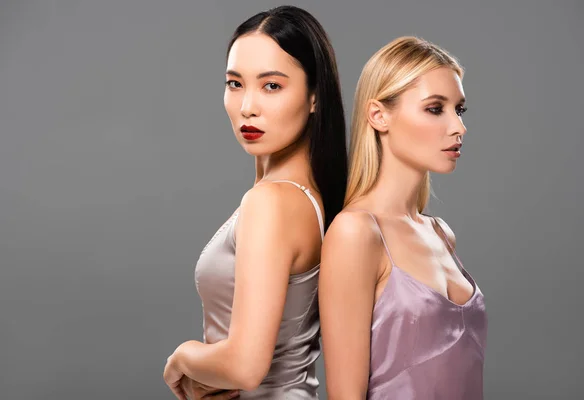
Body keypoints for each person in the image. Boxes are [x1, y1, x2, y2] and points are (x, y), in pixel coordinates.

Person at [163, 5, 347, 400]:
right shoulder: (310, 200)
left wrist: (183, 357)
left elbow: (245, 367)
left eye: (272, 86)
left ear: (315, 97)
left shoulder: (271, 202)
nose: (248, 106)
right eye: (234, 84)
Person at [318, 36, 488, 399]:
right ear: (379, 116)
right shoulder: (356, 233)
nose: (459, 128)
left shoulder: (441, 234)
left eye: (459, 110)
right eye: (434, 108)